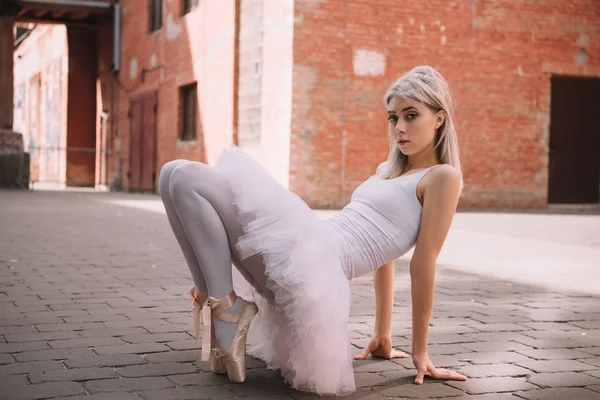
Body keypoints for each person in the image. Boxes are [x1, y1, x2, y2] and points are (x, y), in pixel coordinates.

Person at [158, 65, 468, 396]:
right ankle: (214, 301)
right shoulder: (388, 170)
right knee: (171, 174)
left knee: (186, 178)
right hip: (309, 244)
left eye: (411, 116)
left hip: (317, 261)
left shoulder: (443, 177)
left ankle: (226, 311)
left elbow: (424, 262)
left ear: (439, 118)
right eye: (393, 118)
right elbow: (385, 260)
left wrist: (420, 352)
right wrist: (381, 334)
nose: (399, 128)